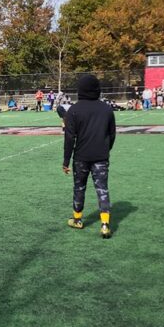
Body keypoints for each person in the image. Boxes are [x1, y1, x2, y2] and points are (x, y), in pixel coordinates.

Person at [62, 74, 116, 238]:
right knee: (102, 189)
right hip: (101, 156)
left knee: (79, 188)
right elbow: (112, 134)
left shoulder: (74, 110)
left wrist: (66, 161)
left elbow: (70, 138)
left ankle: (77, 219)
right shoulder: (106, 109)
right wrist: (106, 150)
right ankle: (105, 225)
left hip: (81, 157)